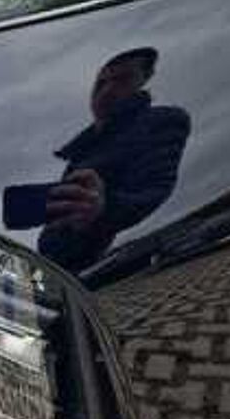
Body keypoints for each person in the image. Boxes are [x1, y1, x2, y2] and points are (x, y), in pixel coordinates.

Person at [39, 48, 191, 272]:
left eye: (122, 80)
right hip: (77, 276)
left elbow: (154, 189)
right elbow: (55, 232)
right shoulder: (79, 155)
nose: (107, 90)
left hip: (150, 266)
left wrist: (103, 209)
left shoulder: (162, 121)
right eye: (100, 84)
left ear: (143, 81)